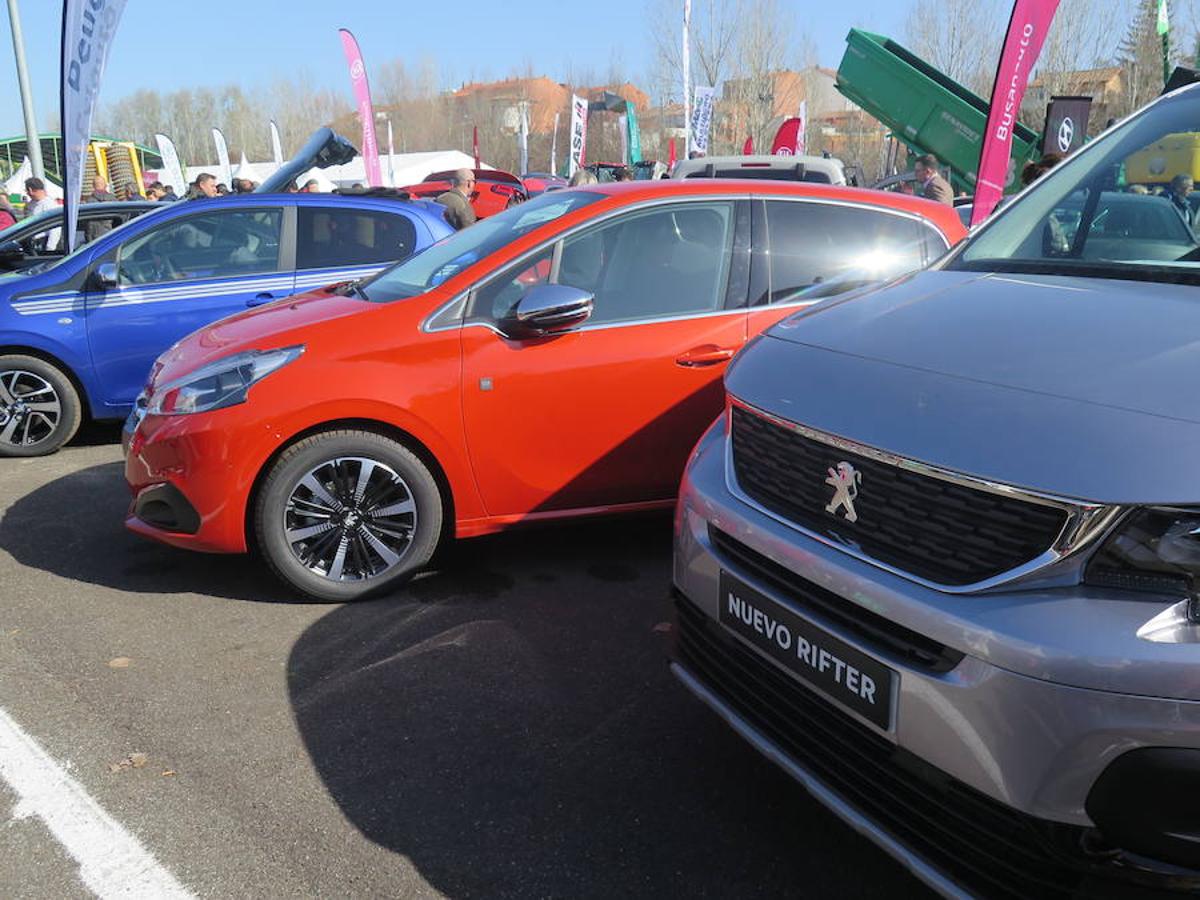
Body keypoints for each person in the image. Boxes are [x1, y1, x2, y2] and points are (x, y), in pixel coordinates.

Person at [23, 177, 59, 250]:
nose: (27, 193)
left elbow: (55, 229)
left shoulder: (49, 205)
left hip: (45, 242)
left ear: (30, 190)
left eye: (26, 190)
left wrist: (50, 248)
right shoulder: (31, 204)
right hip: (35, 242)